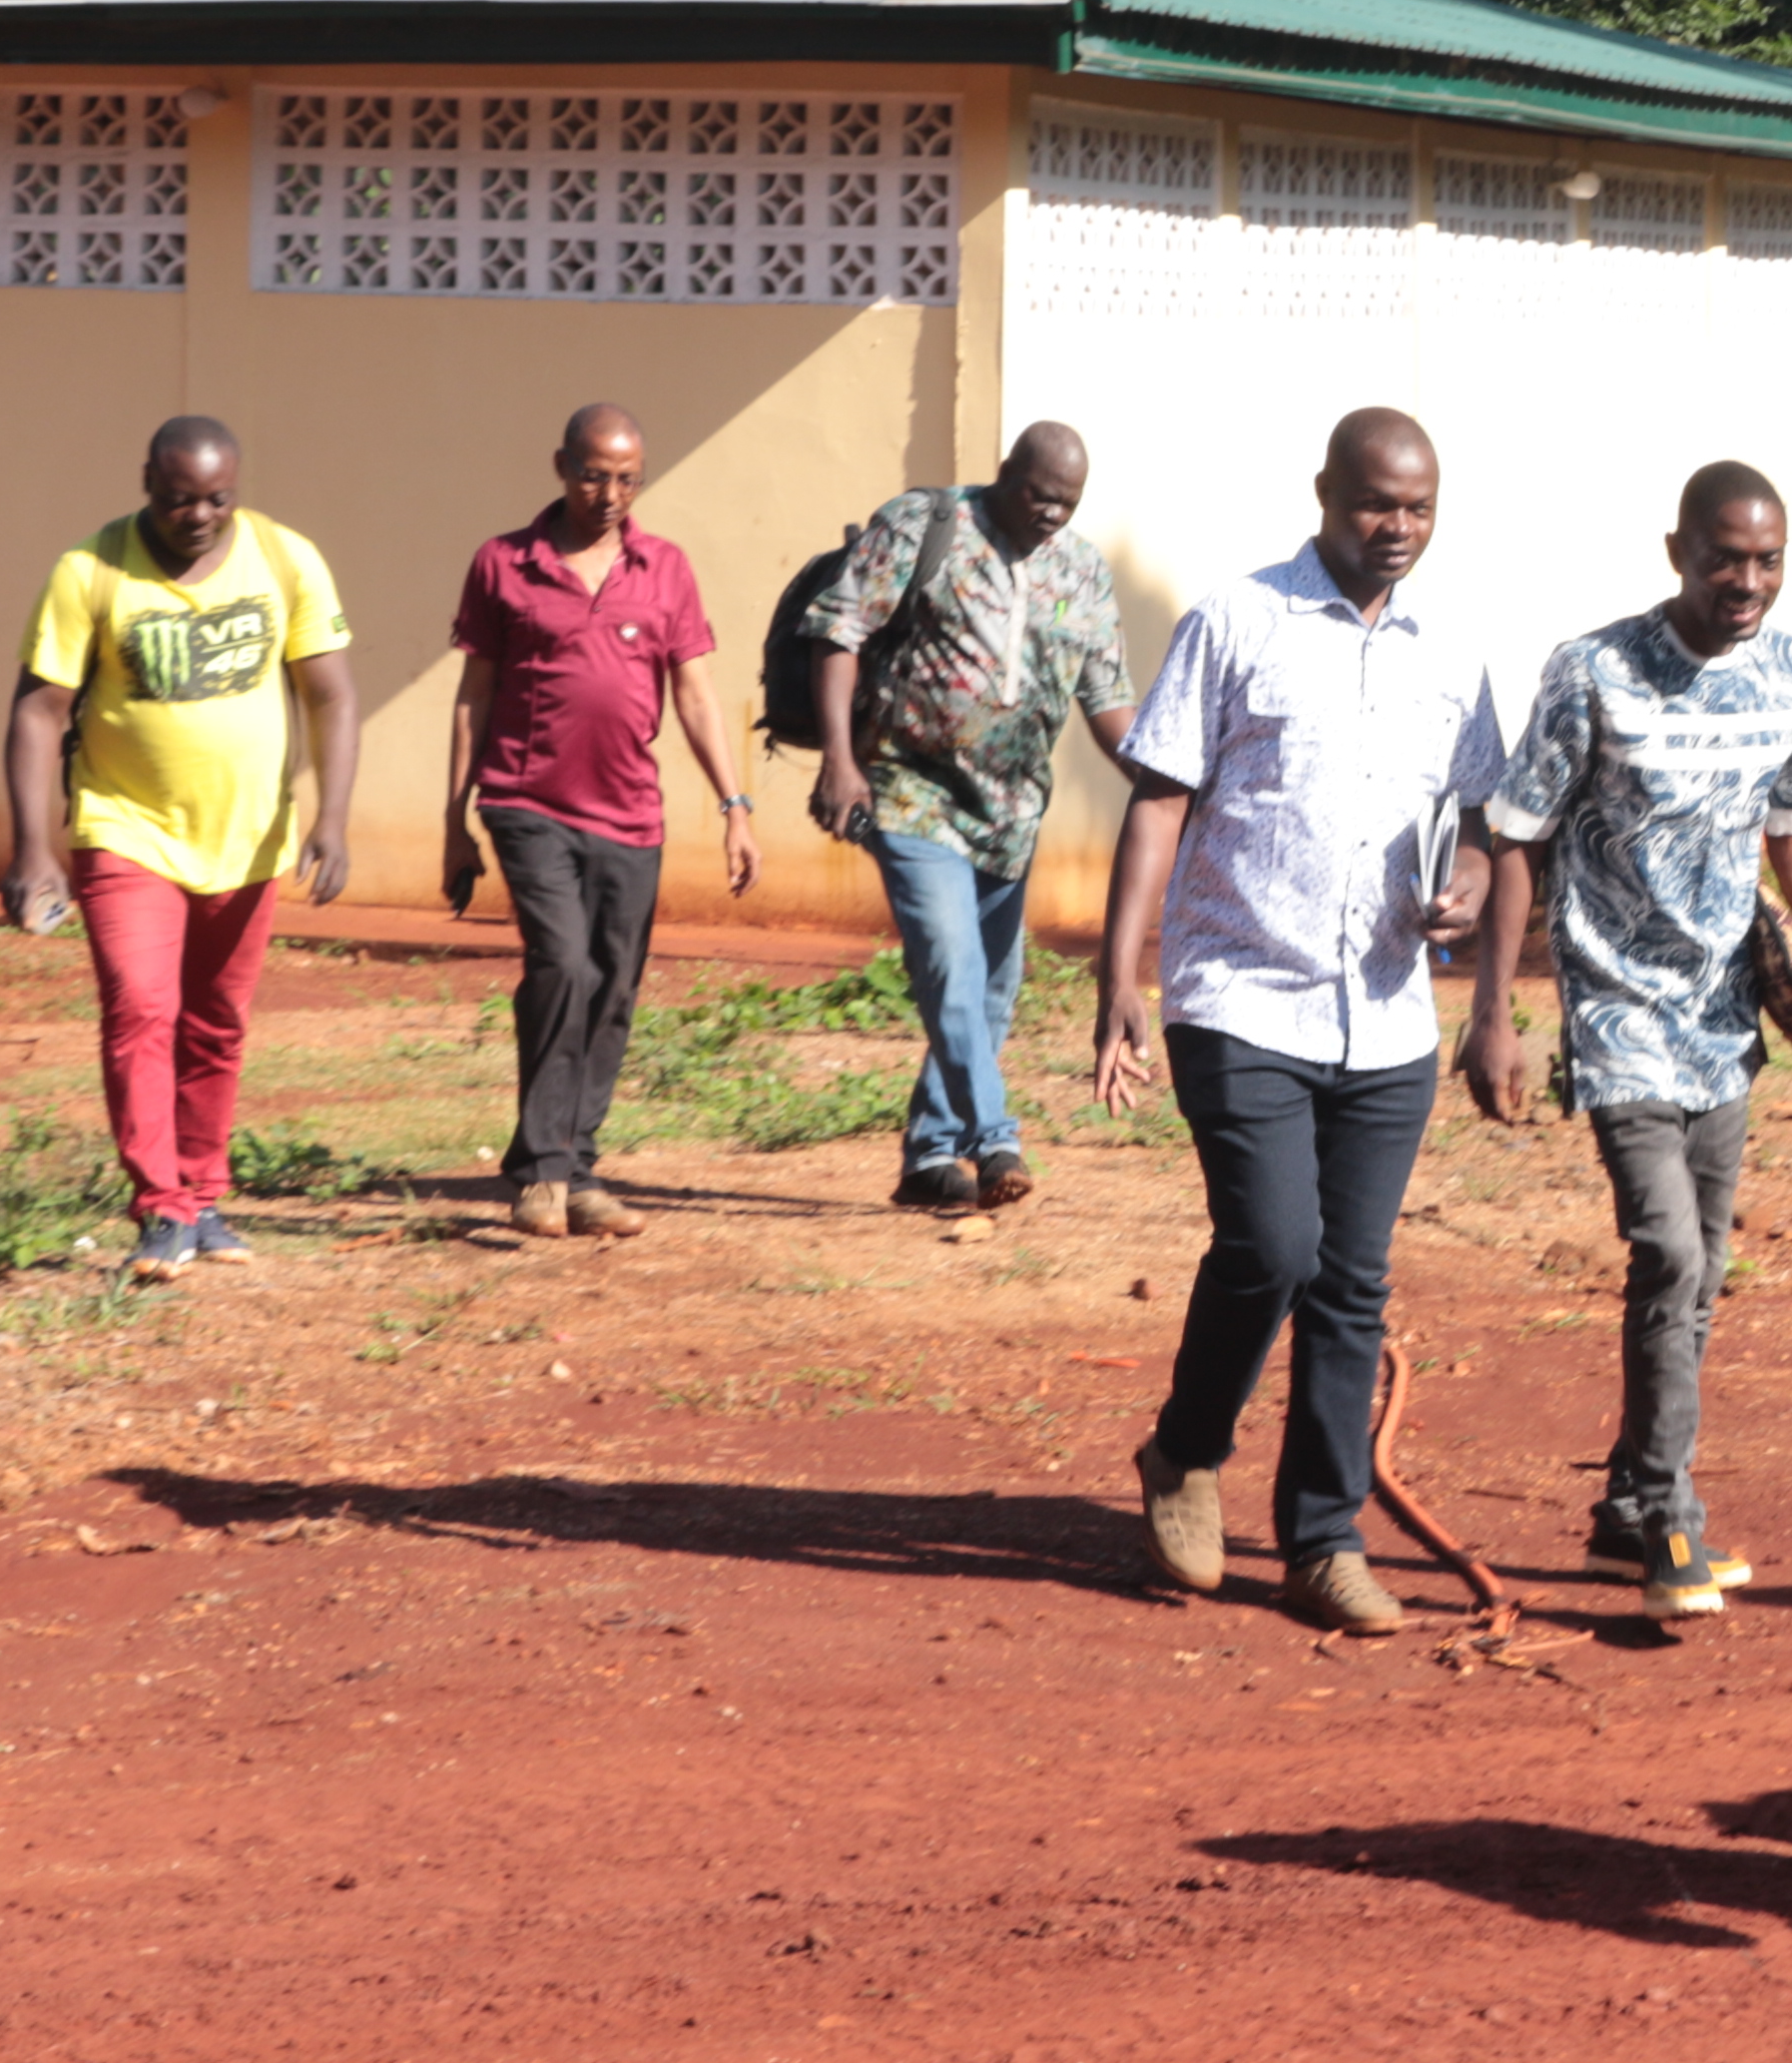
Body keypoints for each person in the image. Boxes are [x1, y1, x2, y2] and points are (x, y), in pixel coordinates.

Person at [1099, 407, 1514, 1641]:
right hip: (1238, 994)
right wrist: (1122, 974)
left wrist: (1475, 888)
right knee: (1274, 1248)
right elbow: (1159, 807)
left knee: (1352, 1284)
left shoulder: (1450, 652)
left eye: (1420, 508)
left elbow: (1483, 826)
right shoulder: (1238, 621)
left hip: (1386, 1017)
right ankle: (1185, 1451)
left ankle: (1323, 1542)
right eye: (1376, 505)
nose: (1398, 530)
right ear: (1324, 495)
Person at [1461, 460, 1792, 1625]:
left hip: (1724, 1017)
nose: (1747, 582)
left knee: (1705, 1272)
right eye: (1725, 558)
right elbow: (1517, 837)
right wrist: (1494, 1013)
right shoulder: (1593, 669)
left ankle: (1622, 1514)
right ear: (1677, 552)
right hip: (1616, 1009)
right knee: (1669, 1257)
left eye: (1768, 560)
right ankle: (1671, 1524)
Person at [5, 417, 361, 1281]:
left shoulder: (285, 558)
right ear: (146, 484)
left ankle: (203, 1196)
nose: (197, 516)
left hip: (249, 839)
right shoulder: (90, 570)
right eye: (177, 499)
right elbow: (38, 710)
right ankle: (159, 1207)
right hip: (125, 827)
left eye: (215, 499)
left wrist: (333, 818)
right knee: (140, 1008)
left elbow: (332, 697)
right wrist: (32, 847)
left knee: (216, 1023)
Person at [804, 423, 1139, 1219]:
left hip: (1012, 812)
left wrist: (1174, 790)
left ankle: (929, 1157)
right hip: (911, 790)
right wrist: (839, 759)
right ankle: (993, 1141)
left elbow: (1108, 701)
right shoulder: (928, 524)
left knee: (993, 988)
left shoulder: (1083, 570)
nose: (1051, 514)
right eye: (1038, 495)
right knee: (952, 965)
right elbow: (838, 629)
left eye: (1067, 503)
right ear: (1004, 475)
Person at [445, 403, 760, 1239]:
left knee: (613, 986)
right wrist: (454, 816)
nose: (609, 493)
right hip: (525, 801)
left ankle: (574, 1166)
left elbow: (692, 693)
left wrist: (735, 807)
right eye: (593, 474)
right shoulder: (504, 563)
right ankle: (541, 1174)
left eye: (626, 479)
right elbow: (475, 695)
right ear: (560, 466)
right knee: (563, 966)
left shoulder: (665, 569)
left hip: (629, 814)